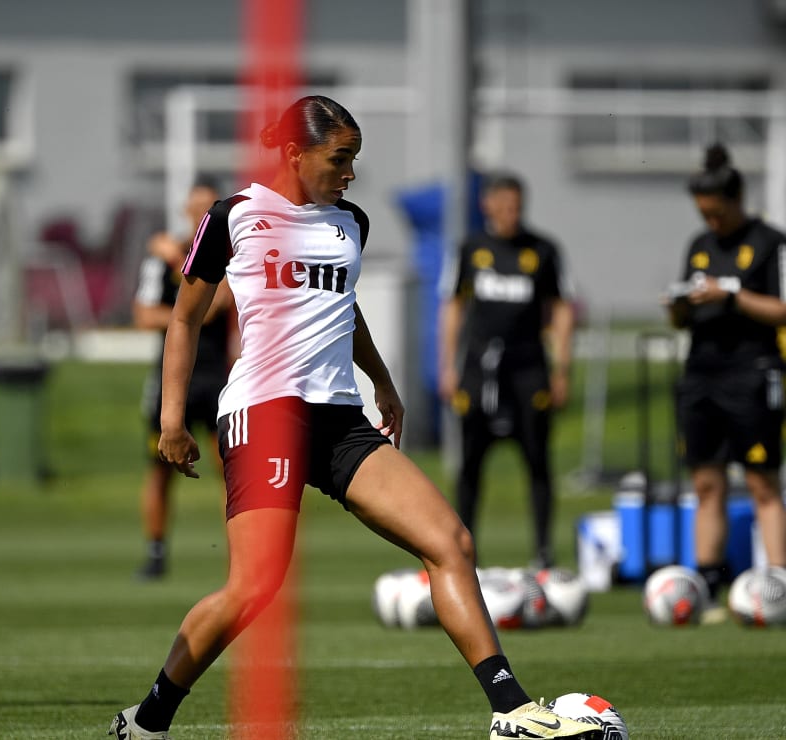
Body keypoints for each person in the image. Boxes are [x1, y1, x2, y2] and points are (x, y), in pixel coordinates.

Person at [108, 95, 602, 740]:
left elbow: (342, 306)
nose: (350, 173)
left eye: (355, 161)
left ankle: (512, 710)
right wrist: (172, 420)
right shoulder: (234, 216)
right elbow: (184, 317)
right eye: (340, 158)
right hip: (265, 413)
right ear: (294, 153)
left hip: (341, 417)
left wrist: (382, 380)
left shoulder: (351, 222)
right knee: (254, 585)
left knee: (449, 543)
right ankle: (146, 721)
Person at [667, 143, 786, 604]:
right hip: (701, 373)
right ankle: (709, 585)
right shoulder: (698, 246)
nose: (711, 222)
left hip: (751, 372)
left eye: (717, 213)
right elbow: (684, 317)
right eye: (704, 214)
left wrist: (731, 296)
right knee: (705, 482)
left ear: (736, 201)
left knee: (760, 480)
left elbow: (782, 309)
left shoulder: (770, 243)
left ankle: (777, 583)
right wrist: (679, 306)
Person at [437, 172, 575, 570]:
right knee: (470, 464)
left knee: (537, 460)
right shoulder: (470, 249)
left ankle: (544, 552)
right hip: (480, 370)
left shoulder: (544, 250)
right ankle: (464, 549)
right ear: (488, 206)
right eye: (505, 206)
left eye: (518, 206)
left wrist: (561, 369)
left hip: (529, 369)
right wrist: (447, 366)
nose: (512, 214)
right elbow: (452, 307)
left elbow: (562, 308)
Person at [132, 180, 234, 580]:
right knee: (159, 467)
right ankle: (155, 553)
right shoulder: (158, 264)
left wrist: (176, 257)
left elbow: (211, 308)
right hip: (171, 379)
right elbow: (144, 316)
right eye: (195, 209)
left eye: (208, 208)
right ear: (185, 211)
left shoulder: (231, 255)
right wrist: (175, 316)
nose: (201, 216)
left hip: (218, 379)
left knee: (230, 468)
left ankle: (240, 555)